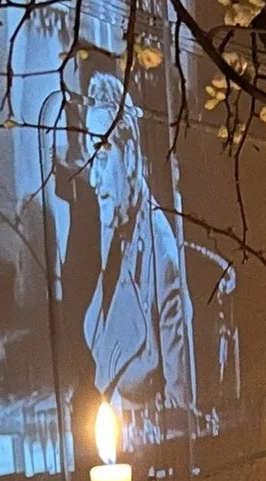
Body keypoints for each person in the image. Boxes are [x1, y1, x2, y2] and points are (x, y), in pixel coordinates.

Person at [58, 71, 193, 437]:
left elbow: (183, 408)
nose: (94, 178)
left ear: (131, 153)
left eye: (103, 155)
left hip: (144, 453)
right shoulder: (113, 226)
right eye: (90, 158)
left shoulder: (162, 257)